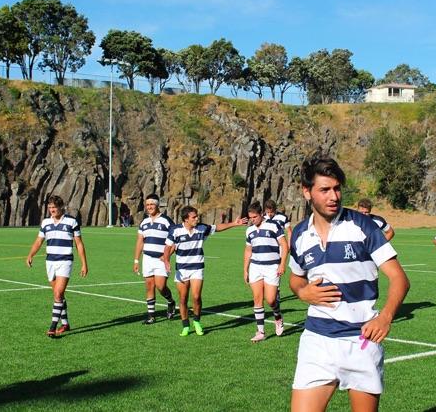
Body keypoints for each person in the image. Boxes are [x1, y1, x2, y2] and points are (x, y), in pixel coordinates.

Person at [289, 155, 409, 412]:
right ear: (307, 192)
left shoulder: (362, 226)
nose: (333, 196)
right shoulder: (299, 234)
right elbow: (296, 278)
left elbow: (399, 278)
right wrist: (303, 292)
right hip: (317, 341)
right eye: (325, 190)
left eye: (337, 188)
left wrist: (385, 317)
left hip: (360, 341)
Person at [162, 206, 246, 336]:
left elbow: (217, 227)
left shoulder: (202, 228)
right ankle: (185, 325)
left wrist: (234, 224)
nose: (197, 219)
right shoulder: (175, 230)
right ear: (186, 219)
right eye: (194, 217)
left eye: (197, 216)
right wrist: (167, 260)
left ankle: (196, 321)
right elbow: (167, 248)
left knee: (196, 297)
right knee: (183, 299)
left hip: (197, 268)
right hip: (182, 270)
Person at [26, 195, 88, 337]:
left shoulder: (71, 222)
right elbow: (38, 241)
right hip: (50, 262)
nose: (52, 210)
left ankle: (53, 327)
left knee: (58, 294)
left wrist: (84, 264)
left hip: (65, 261)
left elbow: (79, 243)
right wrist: (30, 255)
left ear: (61, 207)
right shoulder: (46, 222)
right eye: (50, 208)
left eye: (54, 207)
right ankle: (65, 323)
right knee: (58, 295)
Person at [244, 201, 289, 342]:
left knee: (270, 300)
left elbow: (284, 245)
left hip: (272, 267)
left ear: (261, 214)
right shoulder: (249, 230)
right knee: (257, 299)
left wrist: (282, 264)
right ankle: (260, 332)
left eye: (254, 217)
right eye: (250, 217)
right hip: (255, 267)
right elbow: (248, 250)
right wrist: (245, 270)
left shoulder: (273, 226)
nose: (252, 220)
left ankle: (278, 316)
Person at [133, 194, 176, 324]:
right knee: (149, 286)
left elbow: (175, 239)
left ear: (157, 205)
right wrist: (136, 260)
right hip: (147, 258)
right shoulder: (144, 222)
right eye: (147, 205)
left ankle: (170, 302)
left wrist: (167, 256)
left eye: (151, 204)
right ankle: (151, 316)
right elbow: (140, 242)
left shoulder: (166, 221)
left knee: (161, 286)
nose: (149, 207)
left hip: (161, 260)